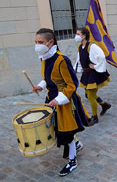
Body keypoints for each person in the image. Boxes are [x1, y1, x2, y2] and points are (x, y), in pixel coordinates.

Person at [32, 28, 90, 176]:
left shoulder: (61, 59)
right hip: (52, 98)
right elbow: (48, 78)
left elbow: (72, 84)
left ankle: (72, 161)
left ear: (50, 42)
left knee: (66, 132)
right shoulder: (44, 57)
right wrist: (41, 85)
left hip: (64, 101)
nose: (37, 45)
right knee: (58, 128)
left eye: (40, 42)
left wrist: (58, 100)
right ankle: (76, 144)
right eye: (36, 42)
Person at [74, 28, 111, 125]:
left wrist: (95, 66)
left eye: (78, 34)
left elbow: (102, 57)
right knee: (89, 94)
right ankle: (104, 105)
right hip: (86, 73)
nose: (76, 36)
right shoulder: (80, 47)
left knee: (90, 96)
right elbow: (79, 60)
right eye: (76, 33)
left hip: (94, 74)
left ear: (84, 35)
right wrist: (76, 70)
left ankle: (95, 117)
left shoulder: (92, 46)